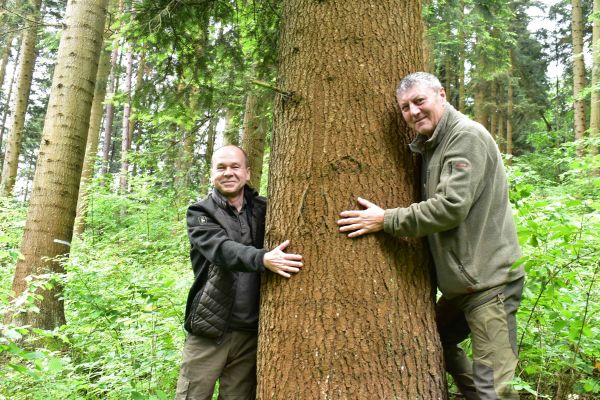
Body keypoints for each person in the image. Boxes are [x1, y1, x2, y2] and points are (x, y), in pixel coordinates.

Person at [336, 72, 525, 399]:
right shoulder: (433, 144)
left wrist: (386, 219)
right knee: (432, 340)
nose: (413, 112)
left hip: (490, 283)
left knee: (495, 385)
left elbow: (451, 207)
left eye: (419, 101)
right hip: (463, 285)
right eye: (405, 107)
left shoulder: (464, 137)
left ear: (441, 94)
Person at [176, 145, 303, 400]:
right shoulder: (200, 213)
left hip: (251, 334)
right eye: (221, 167)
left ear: (247, 173)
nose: (228, 173)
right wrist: (263, 258)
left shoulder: (265, 209)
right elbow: (221, 250)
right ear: (212, 174)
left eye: (235, 167)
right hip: (210, 331)